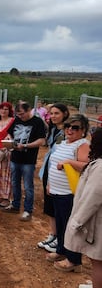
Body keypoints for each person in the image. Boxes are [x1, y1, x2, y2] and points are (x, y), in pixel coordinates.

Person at [45, 114, 90, 273]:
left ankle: (74, 260)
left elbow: (86, 165)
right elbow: (53, 164)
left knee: (71, 227)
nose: (70, 130)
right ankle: (61, 251)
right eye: (68, 126)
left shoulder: (82, 144)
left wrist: (69, 162)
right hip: (57, 191)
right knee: (61, 223)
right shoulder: (63, 143)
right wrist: (50, 184)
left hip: (69, 193)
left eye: (75, 127)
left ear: (83, 130)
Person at [65, 127, 102, 286]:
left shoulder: (100, 167)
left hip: (99, 223)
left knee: (98, 261)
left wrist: (77, 221)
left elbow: (92, 197)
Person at [2, 102, 46, 221]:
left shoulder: (37, 122)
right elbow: (10, 133)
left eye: (22, 114)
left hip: (28, 160)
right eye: (18, 114)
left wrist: (25, 145)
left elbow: (41, 140)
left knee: (27, 186)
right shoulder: (16, 120)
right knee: (15, 183)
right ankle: (15, 205)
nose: (20, 117)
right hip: (15, 157)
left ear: (29, 110)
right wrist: (9, 141)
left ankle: (28, 210)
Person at [37, 103, 70, 253]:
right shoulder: (53, 129)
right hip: (49, 170)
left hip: (60, 173)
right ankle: (53, 234)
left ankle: (60, 240)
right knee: (50, 206)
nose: (53, 116)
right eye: (51, 113)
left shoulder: (68, 131)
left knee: (58, 207)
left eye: (57, 113)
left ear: (65, 113)